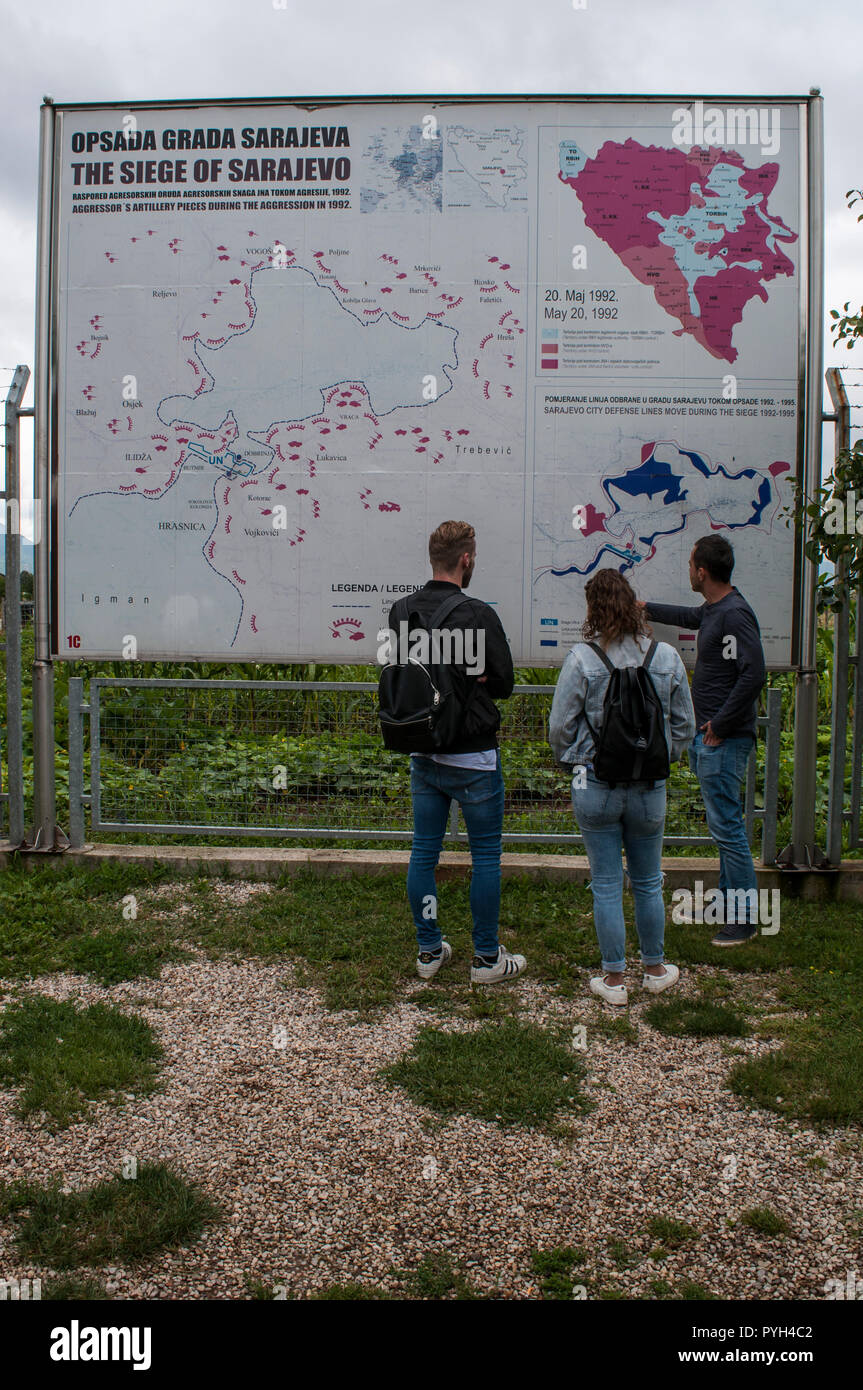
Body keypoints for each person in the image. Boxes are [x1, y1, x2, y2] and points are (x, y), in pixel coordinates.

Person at [549, 568, 696, 1005]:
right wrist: (659, 758)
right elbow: (684, 725)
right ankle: (654, 968)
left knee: (607, 882)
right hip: (649, 788)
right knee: (649, 881)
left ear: (593, 609)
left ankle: (613, 981)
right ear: (634, 604)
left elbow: (560, 727)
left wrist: (573, 759)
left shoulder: (582, 659)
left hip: (595, 783)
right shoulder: (666, 657)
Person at [389, 520, 526, 985]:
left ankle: (429, 951)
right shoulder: (478, 614)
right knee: (485, 856)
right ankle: (487, 959)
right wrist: (477, 675)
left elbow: (406, 673)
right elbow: (503, 683)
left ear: (433, 558)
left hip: (423, 751)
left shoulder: (401, 611)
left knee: (423, 852)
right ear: (466, 560)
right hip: (473, 756)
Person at [641, 535, 766, 945]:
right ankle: (730, 902)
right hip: (712, 738)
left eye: (691, 563)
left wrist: (721, 724)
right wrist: (646, 608)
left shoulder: (734, 615)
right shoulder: (716, 610)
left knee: (728, 828)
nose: (688, 569)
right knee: (723, 826)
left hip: (722, 741)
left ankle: (746, 917)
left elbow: (754, 673)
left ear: (702, 572)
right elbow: (691, 617)